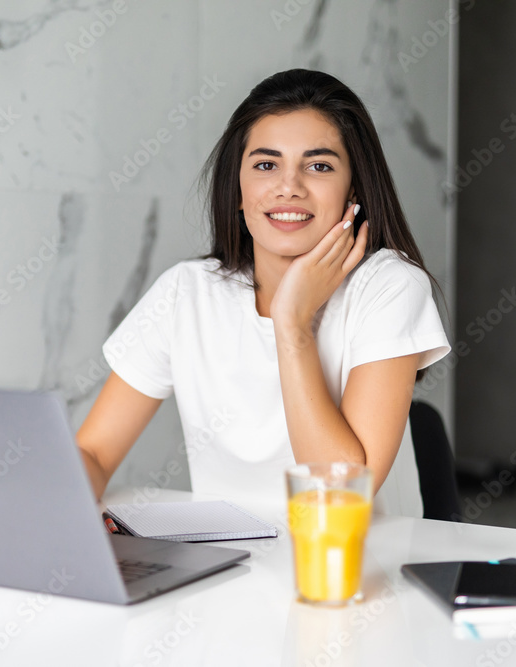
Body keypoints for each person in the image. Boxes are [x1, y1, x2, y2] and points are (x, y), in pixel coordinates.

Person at [77, 69, 450, 516]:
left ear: (353, 188)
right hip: (230, 572)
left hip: (356, 573)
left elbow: (341, 496)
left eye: (319, 166)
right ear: (238, 188)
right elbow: (94, 454)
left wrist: (292, 324)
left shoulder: (390, 286)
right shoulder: (186, 292)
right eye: (266, 165)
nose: (288, 186)